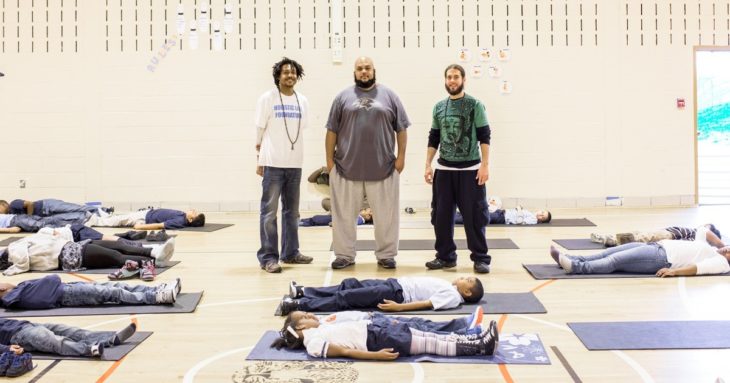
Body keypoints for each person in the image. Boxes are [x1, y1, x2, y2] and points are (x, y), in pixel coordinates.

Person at [325, 56, 410, 270]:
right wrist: (330, 162)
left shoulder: (390, 96)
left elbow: (401, 128)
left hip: (384, 169)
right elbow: (331, 131)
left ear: (374, 70)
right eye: (360, 68)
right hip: (346, 168)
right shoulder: (342, 97)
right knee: (343, 217)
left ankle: (386, 255)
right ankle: (344, 255)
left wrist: (401, 158)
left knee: (386, 218)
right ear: (354, 72)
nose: (364, 72)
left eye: (367, 68)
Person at [424, 64, 492, 273]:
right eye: (449, 77)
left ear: (463, 80)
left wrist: (485, 166)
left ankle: (480, 258)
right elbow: (434, 137)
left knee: (474, 217)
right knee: (441, 217)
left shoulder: (475, 105)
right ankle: (445, 257)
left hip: (470, 171)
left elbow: (484, 135)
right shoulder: (438, 107)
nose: (452, 81)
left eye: (456, 77)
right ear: (445, 80)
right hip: (444, 171)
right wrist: (428, 164)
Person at [254, 57, 312, 273]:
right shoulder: (267, 99)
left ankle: (291, 252)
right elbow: (259, 130)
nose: (290, 75)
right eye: (285, 72)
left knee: (292, 212)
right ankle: (268, 257)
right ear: (278, 76)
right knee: (269, 213)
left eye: (293, 72)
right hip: (272, 164)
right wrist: (259, 160)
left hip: (295, 164)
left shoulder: (302, 101)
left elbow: (302, 128)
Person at [270, 312, 499, 360]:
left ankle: (476, 340)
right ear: (299, 329)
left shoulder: (319, 329)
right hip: (377, 341)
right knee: (431, 343)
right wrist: (375, 356)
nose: (311, 315)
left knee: (432, 337)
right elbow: (346, 351)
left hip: (378, 330)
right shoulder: (313, 342)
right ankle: (481, 347)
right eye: (305, 316)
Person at [549, 226, 730, 276]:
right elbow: (702, 231)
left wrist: (674, 272)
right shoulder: (712, 250)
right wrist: (720, 244)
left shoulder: (720, 264)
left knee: (614, 262)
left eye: (729, 251)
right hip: (657, 247)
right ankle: (573, 258)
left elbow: (697, 269)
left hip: (661, 258)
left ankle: (576, 267)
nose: (726, 249)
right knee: (607, 253)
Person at [0, 226, 175, 276]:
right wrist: (11, 270)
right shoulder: (15, 251)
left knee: (117, 247)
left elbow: (42, 233)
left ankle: (154, 251)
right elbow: (21, 263)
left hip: (73, 246)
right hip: (70, 256)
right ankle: (154, 262)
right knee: (115, 256)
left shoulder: (20, 245)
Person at [276, 276, 483, 315]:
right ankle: (303, 292)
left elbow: (427, 304)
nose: (463, 277)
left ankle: (298, 306)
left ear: (467, 291)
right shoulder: (450, 287)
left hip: (396, 293)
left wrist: (398, 307)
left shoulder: (454, 296)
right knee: (350, 284)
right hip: (393, 284)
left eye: (467, 279)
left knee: (347, 298)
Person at [0, 274, 181, 309]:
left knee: (114, 287)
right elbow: (52, 279)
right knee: (113, 294)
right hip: (67, 295)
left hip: (66, 288)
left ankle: (156, 288)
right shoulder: (16, 295)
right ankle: (155, 297)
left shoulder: (20, 291)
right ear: (2, 289)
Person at [288, 305, 485, 335]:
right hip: (376, 326)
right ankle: (465, 330)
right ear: (302, 326)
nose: (310, 314)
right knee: (420, 328)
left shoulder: (321, 321)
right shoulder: (320, 332)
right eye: (305, 317)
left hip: (376, 318)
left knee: (420, 323)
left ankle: (464, 324)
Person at [0, 318, 137, 358]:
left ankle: (111, 339)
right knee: (53, 341)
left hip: (27, 324)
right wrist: (6, 348)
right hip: (18, 336)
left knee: (71, 331)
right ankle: (89, 349)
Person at [590, 224, 723, 248]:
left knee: (641, 237)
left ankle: (612, 241)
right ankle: (610, 237)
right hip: (668, 232)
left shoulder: (703, 233)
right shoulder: (697, 232)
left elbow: (720, 244)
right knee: (638, 233)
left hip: (670, 235)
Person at [85, 208, 205, 230]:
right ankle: (106, 217)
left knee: (122, 220)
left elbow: (160, 225)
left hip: (146, 219)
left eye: (194, 213)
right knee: (123, 218)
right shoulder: (183, 216)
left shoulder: (179, 222)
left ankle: (96, 221)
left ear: (190, 220)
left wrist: (140, 227)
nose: (193, 210)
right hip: (148, 214)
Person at [0, 199, 111, 217]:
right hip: (46, 213)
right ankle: (98, 213)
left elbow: (29, 203)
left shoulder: (13, 204)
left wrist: (30, 217)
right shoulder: (10, 215)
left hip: (46, 206)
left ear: (4, 204)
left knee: (73, 208)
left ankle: (104, 210)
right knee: (72, 212)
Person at [0, 212, 88, 233]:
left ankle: (73, 227)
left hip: (15, 220)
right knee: (48, 220)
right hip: (16, 218)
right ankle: (81, 219)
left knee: (43, 225)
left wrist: (9, 230)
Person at [454, 207, 552, 225]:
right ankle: (455, 215)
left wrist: (519, 209)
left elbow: (519, 221)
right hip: (501, 213)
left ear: (541, 220)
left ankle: (453, 219)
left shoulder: (533, 220)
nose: (540, 214)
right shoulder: (531, 214)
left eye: (543, 216)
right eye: (542, 212)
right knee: (477, 213)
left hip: (502, 218)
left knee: (478, 218)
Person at [299, 208, 373, 227]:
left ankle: (298, 223)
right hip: (333, 217)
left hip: (331, 219)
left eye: (365, 210)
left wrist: (335, 223)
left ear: (368, 216)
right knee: (313, 219)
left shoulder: (360, 220)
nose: (362, 210)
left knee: (314, 220)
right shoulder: (359, 217)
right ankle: (299, 221)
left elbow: (348, 223)